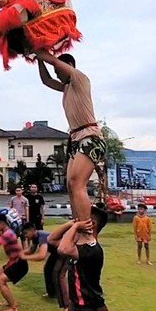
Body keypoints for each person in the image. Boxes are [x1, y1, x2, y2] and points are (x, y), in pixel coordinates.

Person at [35, 49, 106, 241]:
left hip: (90, 136)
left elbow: (52, 60)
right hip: (75, 139)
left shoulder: (80, 78)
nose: (57, 75)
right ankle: (77, 223)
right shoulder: (66, 87)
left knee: (77, 183)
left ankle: (87, 233)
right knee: (70, 185)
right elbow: (46, 81)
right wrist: (36, 60)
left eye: (59, 71)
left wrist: (38, 50)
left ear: (69, 67)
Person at [56, 205, 111, 311]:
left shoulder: (91, 249)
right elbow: (52, 239)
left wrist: (76, 226)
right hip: (77, 307)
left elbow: (62, 249)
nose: (79, 220)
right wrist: (71, 224)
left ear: (92, 224)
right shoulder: (78, 246)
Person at [20, 222, 59, 300]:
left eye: (26, 233)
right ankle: (51, 293)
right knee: (48, 269)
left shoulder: (42, 235)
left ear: (31, 230)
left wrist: (25, 257)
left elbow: (42, 255)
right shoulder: (35, 236)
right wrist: (19, 253)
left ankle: (60, 294)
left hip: (62, 252)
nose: (25, 236)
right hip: (56, 252)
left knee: (57, 272)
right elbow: (31, 250)